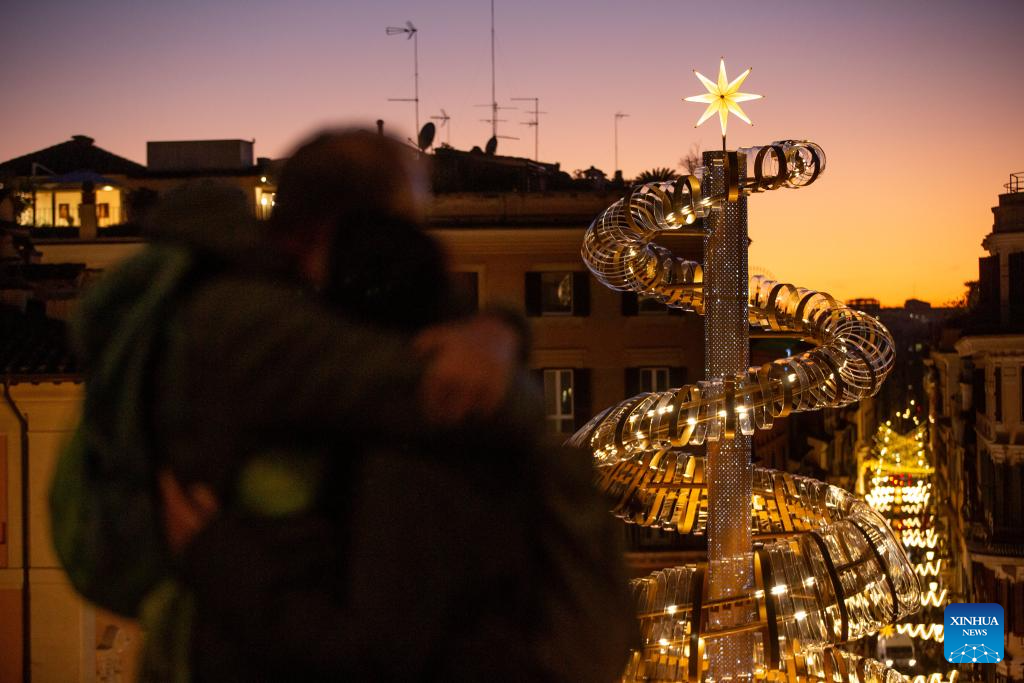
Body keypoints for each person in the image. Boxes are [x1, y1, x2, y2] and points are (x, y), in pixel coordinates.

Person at [52, 128, 637, 681]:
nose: (414, 248)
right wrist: (500, 339)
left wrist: (498, 333)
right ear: (352, 230)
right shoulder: (246, 322)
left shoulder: (277, 315)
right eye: (408, 225)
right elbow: (462, 395)